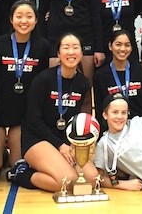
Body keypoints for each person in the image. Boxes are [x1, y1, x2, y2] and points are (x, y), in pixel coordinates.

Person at [11, 33, 98, 192]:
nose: (71, 52)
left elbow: (80, 119)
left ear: (81, 52)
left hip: (65, 139)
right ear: (58, 53)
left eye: (75, 47)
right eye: (66, 48)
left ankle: (52, 167)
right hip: (38, 137)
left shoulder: (83, 83)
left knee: (91, 180)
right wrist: (60, 146)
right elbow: (33, 120)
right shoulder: (43, 79)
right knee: (66, 181)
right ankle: (21, 173)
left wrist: (76, 143)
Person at [38, 0, 104, 108]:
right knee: (54, 91)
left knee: (85, 91)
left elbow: (96, 13)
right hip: (55, 40)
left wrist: (99, 48)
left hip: (85, 40)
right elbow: (41, 12)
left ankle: (85, 132)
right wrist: (43, 42)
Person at [0, 0, 50, 181]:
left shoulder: (43, 46)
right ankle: (0, 154)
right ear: (11, 19)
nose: (24, 21)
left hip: (23, 115)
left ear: (36, 21)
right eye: (19, 16)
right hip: (0, 110)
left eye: (29, 17)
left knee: (17, 167)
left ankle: (9, 155)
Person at [93, 30, 142, 132]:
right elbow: (100, 108)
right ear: (110, 46)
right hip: (114, 128)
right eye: (118, 44)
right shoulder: (101, 75)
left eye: (127, 45)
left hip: (141, 126)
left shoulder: (140, 69)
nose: (123, 49)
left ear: (131, 48)